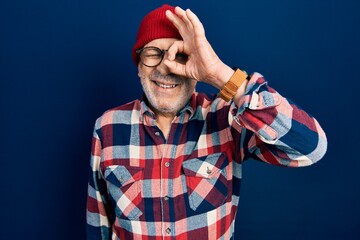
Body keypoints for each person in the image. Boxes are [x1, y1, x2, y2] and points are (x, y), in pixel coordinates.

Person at [86, 4, 327, 240]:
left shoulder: (227, 117)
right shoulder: (107, 127)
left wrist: (220, 75)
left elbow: (311, 147)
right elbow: (98, 224)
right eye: (152, 54)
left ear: (196, 67)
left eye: (179, 55)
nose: (166, 67)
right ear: (139, 66)